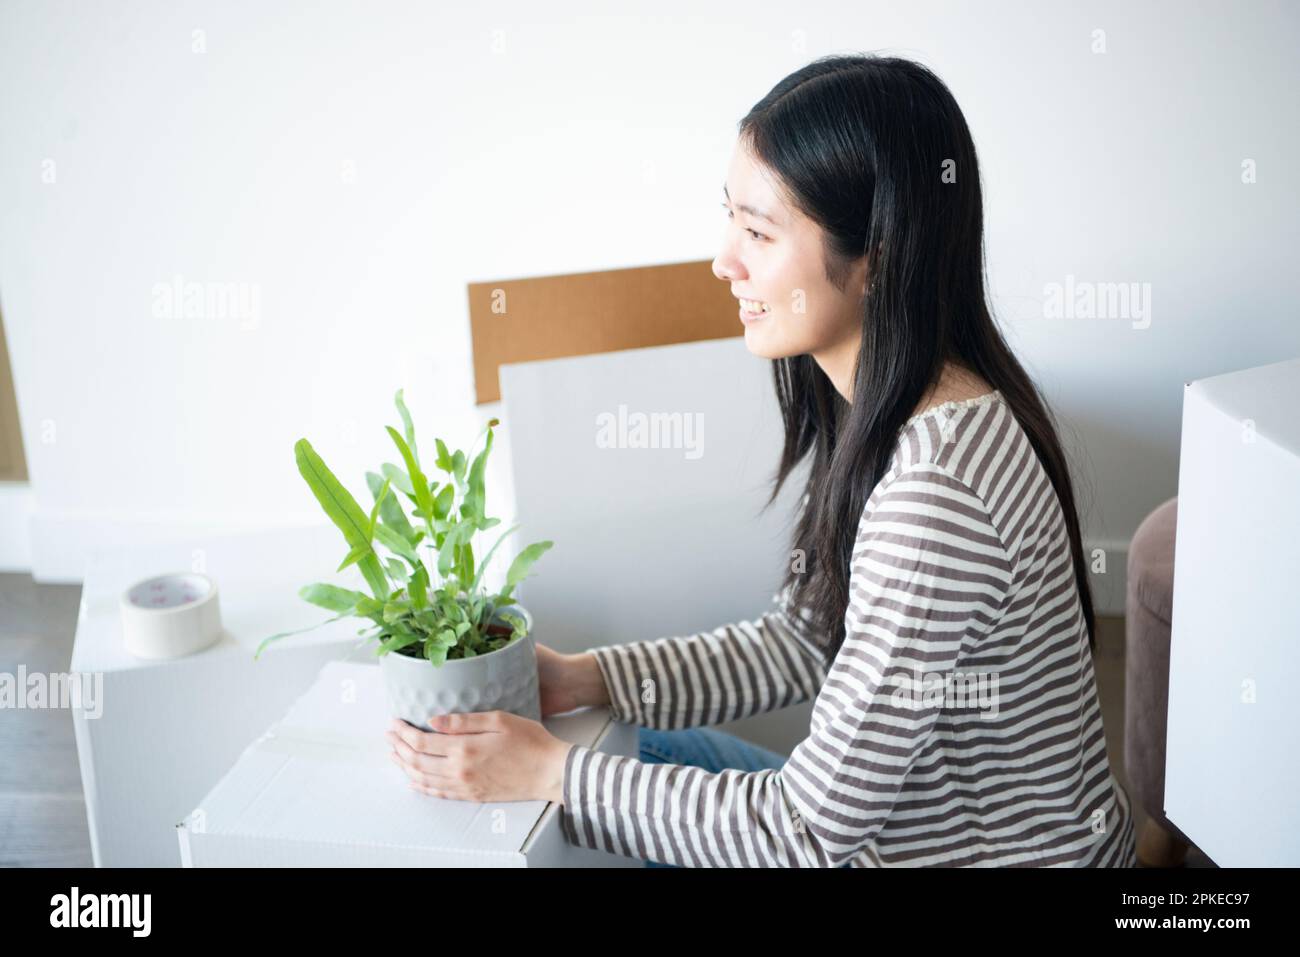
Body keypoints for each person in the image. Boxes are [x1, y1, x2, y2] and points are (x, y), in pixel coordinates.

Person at [387, 53, 1137, 868]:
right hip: (885, 840)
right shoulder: (904, 403)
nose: (724, 261)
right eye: (730, 220)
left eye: (759, 231)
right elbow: (805, 643)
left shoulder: (937, 497)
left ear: (877, 254)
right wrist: (585, 676)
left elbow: (804, 833)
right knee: (645, 750)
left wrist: (549, 769)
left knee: (595, 784)